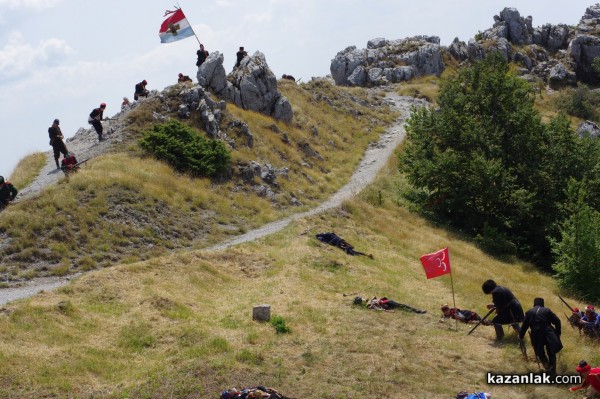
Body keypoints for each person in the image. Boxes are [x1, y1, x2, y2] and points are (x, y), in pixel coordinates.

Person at [519, 298, 562, 374]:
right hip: (548, 332)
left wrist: (521, 336)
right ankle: (552, 370)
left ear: (534, 304)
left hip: (536, 334)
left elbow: (524, 326)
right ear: (542, 304)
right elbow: (557, 321)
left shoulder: (529, 312)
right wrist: (558, 333)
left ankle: (547, 366)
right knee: (551, 352)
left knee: (540, 352)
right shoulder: (547, 310)